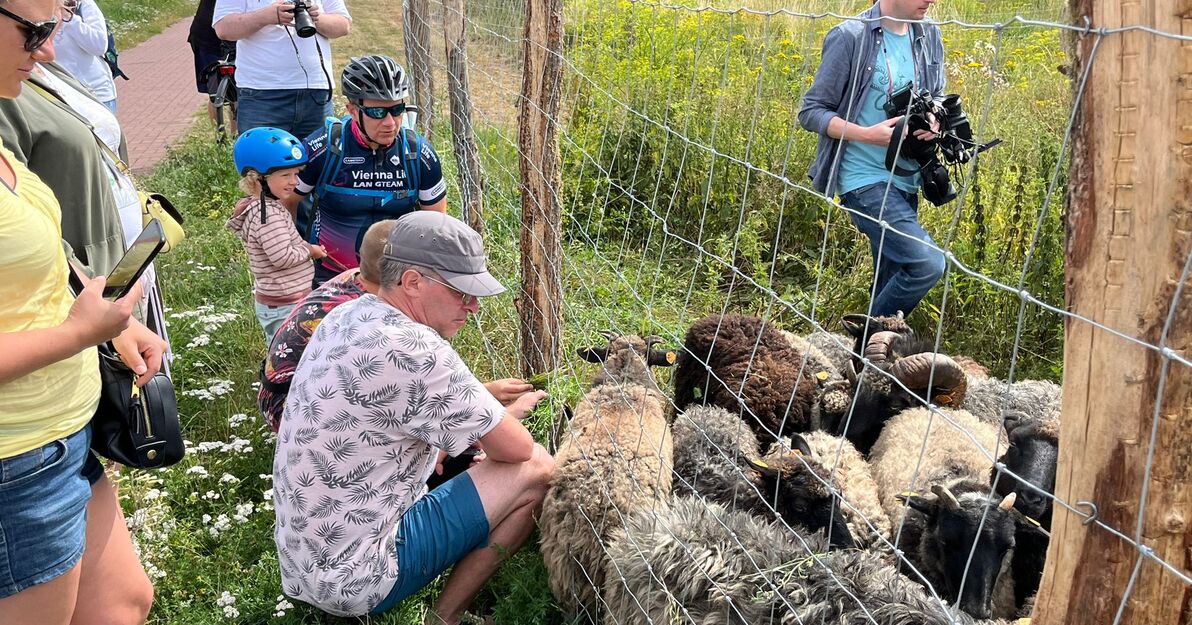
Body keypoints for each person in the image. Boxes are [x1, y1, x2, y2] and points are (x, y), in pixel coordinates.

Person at [273, 212, 554, 623]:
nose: (473, 307)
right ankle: (445, 618)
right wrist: (501, 415)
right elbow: (518, 448)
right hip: (357, 577)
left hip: (304, 558)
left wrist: (444, 439)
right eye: (461, 291)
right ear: (412, 282)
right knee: (537, 469)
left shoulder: (345, 315)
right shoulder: (416, 349)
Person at [0, 1, 157, 623]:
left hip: (57, 436)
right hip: (16, 458)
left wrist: (106, 321)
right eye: (34, 32)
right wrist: (76, 333)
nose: (47, 53)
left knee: (121, 602)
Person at [798, 0, 946, 317]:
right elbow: (811, 112)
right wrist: (868, 134)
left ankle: (866, 363)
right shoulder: (850, 36)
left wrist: (935, 120)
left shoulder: (929, 33)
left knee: (891, 280)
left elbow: (938, 94)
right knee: (926, 263)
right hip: (863, 178)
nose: (932, 0)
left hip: (908, 176)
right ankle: (863, 344)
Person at [291, 54, 447, 287]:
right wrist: (294, 252)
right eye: (377, 112)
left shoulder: (418, 155)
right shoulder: (324, 148)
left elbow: (436, 226)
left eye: (397, 109)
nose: (390, 122)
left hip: (396, 281)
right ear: (352, 110)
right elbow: (287, 202)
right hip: (332, 276)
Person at [227, 127, 326, 341]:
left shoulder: (267, 206)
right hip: (284, 306)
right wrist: (310, 250)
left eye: (296, 174)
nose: (294, 181)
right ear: (256, 178)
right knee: (287, 358)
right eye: (285, 175)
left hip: (285, 301)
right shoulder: (267, 216)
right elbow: (283, 257)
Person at [212, 0, 351, 139]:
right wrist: (264, 17)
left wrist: (316, 18)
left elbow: (343, 25)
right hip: (261, 95)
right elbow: (223, 28)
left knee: (320, 159)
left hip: (316, 94)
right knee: (261, 159)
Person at [51, 0, 115, 112]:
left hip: (96, 95)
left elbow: (99, 46)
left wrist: (68, 17)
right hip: (60, 96)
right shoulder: (37, 10)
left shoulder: (83, 5)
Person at [188, 0, 233, 132]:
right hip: (207, 38)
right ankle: (221, 134)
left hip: (218, 35)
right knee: (216, 91)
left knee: (226, 92)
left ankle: (226, 136)